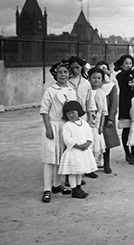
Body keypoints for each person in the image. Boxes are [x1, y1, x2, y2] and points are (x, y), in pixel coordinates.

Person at [40, 60, 77, 203]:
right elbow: (44, 111)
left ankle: (57, 184)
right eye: (60, 72)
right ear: (55, 74)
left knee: (61, 157)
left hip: (66, 127)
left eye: (65, 72)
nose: (63, 75)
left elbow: (73, 110)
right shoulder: (50, 90)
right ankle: (47, 189)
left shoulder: (71, 91)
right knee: (50, 158)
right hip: (52, 125)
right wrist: (48, 128)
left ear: (69, 74)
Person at [58, 101, 97, 198]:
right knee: (73, 172)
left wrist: (87, 143)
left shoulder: (84, 124)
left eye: (73, 112)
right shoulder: (67, 125)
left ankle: (79, 188)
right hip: (74, 152)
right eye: (68, 113)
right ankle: (74, 189)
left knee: (80, 171)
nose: (71, 115)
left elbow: (89, 134)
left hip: (83, 152)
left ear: (78, 111)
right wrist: (79, 146)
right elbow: (67, 139)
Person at [113, 54, 134, 163]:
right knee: (126, 130)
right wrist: (131, 71)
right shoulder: (120, 75)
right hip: (125, 105)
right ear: (122, 65)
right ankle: (127, 153)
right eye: (126, 63)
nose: (128, 65)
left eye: (130, 63)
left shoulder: (132, 74)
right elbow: (125, 77)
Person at [95, 61, 121, 174]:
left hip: (105, 117)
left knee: (106, 141)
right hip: (93, 117)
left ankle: (106, 162)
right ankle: (93, 163)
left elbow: (114, 103)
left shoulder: (110, 86)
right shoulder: (92, 85)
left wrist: (110, 118)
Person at [87, 67, 108, 177]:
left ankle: (94, 166)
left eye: (99, 78)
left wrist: (101, 126)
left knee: (96, 145)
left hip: (98, 121)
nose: (96, 80)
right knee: (88, 144)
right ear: (89, 78)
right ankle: (87, 168)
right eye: (94, 78)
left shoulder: (102, 93)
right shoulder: (87, 91)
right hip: (87, 121)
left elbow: (104, 111)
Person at [68, 56, 95, 122]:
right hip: (69, 115)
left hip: (83, 115)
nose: (75, 70)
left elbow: (89, 101)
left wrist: (90, 118)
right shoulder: (67, 82)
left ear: (82, 67)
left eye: (77, 67)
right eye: (73, 68)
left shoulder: (86, 83)